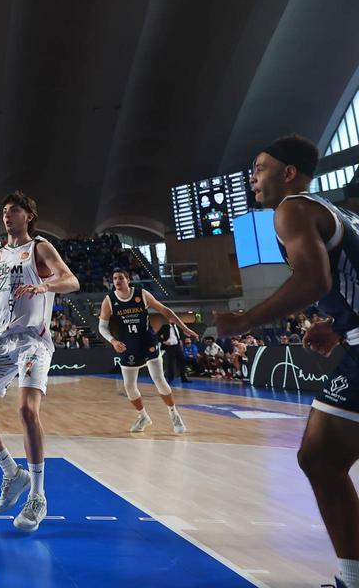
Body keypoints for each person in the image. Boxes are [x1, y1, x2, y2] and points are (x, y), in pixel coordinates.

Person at [215, 135, 358, 588]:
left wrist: (243, 321)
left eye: (260, 168)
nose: (252, 178)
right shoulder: (340, 213)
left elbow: (314, 280)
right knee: (320, 457)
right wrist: (339, 327)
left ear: (289, 173)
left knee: (321, 458)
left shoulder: (291, 209)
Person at [0, 193, 80, 533]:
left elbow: (71, 280)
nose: (7, 216)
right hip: (2, 341)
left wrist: (44, 286)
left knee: (26, 410)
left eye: (14, 210)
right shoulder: (0, 255)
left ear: (29, 215)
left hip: (32, 342)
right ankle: (12, 472)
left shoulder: (40, 247)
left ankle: (38, 496)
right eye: (5, 211)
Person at [97, 269, 197, 434]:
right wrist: (113, 341)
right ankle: (143, 416)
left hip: (147, 342)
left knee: (159, 379)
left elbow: (165, 311)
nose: (117, 281)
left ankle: (174, 414)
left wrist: (184, 327)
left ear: (128, 279)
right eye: (114, 278)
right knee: (129, 386)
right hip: (127, 345)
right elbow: (102, 326)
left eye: (120, 278)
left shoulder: (141, 294)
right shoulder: (109, 300)